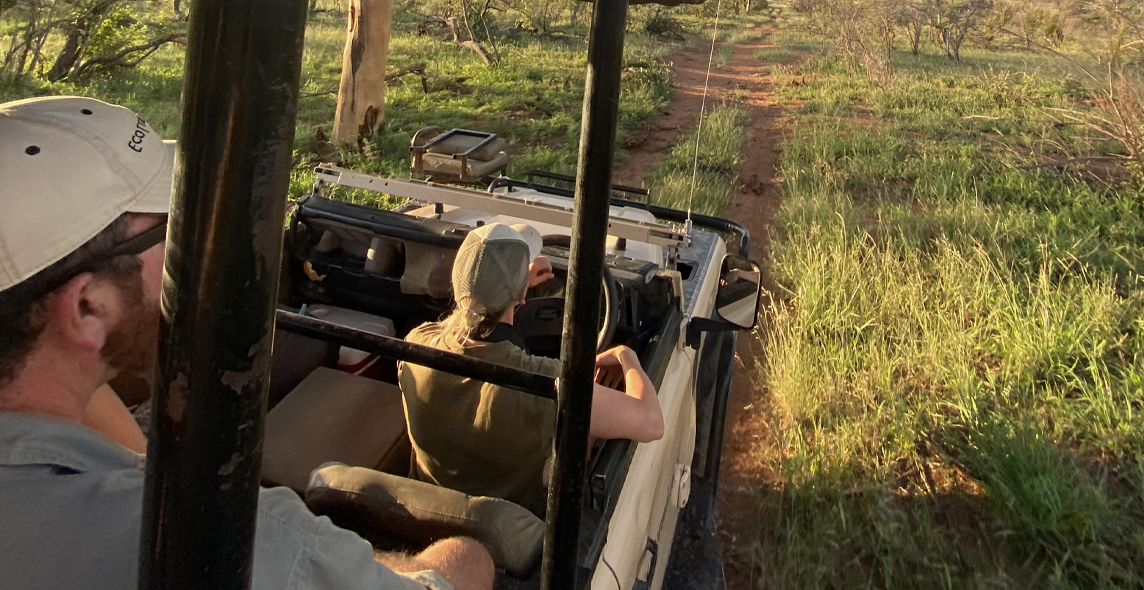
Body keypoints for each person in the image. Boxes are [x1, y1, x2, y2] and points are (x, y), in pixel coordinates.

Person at [0, 96, 493, 590]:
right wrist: (462, 557)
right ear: (90, 306)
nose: (198, 250)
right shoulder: (230, 547)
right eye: (176, 230)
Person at [399, 222, 664, 517]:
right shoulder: (543, 385)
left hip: (427, 509)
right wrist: (628, 357)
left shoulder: (416, 345)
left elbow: (464, 320)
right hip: (510, 529)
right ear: (522, 296)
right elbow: (651, 422)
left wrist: (505, 288)